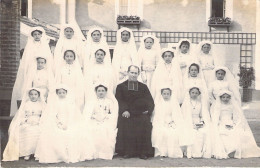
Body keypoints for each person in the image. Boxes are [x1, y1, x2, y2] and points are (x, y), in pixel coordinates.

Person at [35, 84, 93, 163]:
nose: (61, 94)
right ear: (57, 94)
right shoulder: (54, 103)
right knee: (51, 134)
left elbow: (73, 115)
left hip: (69, 122)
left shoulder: (70, 103)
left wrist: (67, 124)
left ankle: (69, 154)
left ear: (66, 93)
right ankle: (57, 155)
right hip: (58, 122)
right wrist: (58, 123)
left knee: (75, 134)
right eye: (59, 93)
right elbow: (53, 115)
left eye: (63, 92)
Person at [10, 27, 53, 116]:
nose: (37, 36)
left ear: (41, 35)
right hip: (32, 68)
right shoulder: (30, 46)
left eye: (38, 34)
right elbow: (27, 60)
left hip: (43, 67)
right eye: (35, 34)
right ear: (32, 36)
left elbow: (48, 58)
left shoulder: (45, 45)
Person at [115, 65, 154, 159]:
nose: (133, 75)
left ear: (138, 74)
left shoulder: (143, 87)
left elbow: (149, 100)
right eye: (131, 72)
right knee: (126, 123)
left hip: (140, 113)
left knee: (145, 122)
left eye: (135, 73)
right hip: (127, 113)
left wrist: (148, 110)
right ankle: (128, 151)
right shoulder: (120, 86)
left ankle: (143, 152)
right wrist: (124, 110)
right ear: (128, 73)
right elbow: (119, 100)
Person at [211, 90, 260, 159]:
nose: (225, 99)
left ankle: (234, 150)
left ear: (230, 98)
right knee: (222, 133)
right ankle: (227, 150)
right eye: (223, 97)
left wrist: (233, 124)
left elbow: (236, 117)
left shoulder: (232, 106)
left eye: (227, 97)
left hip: (230, 123)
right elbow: (216, 118)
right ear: (220, 98)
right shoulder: (218, 106)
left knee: (236, 132)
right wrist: (221, 124)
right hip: (221, 123)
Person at [3, 88, 46, 161]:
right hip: (27, 122)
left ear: (38, 95)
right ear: (29, 95)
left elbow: (45, 115)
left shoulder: (42, 104)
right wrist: (26, 120)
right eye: (31, 94)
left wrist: (39, 121)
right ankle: (27, 153)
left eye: (35, 94)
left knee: (40, 131)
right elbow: (21, 115)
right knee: (26, 130)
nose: (33, 96)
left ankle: (38, 153)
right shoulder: (26, 104)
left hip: (38, 122)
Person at [83, 84, 118, 160]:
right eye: (99, 91)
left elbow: (112, 114)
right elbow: (88, 114)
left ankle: (104, 154)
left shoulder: (109, 102)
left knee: (105, 129)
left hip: (106, 121)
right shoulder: (91, 102)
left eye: (103, 91)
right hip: (94, 120)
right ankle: (94, 153)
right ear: (96, 92)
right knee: (92, 129)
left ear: (106, 92)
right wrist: (95, 118)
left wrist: (106, 117)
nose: (101, 92)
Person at [152, 87, 184, 158]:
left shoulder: (173, 104)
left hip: (171, 121)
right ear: (161, 94)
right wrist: (162, 123)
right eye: (164, 94)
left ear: (170, 94)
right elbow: (157, 116)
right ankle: (162, 152)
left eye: (167, 94)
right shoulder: (158, 104)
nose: (166, 95)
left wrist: (172, 122)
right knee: (161, 131)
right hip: (160, 122)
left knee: (173, 132)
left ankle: (171, 152)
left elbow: (176, 115)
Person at [181, 86, 211, 158]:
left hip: (198, 121)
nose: (194, 94)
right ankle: (191, 153)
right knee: (192, 132)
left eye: (196, 93)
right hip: (188, 122)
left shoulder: (200, 103)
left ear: (199, 94)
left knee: (203, 131)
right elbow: (183, 115)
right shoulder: (186, 104)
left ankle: (200, 152)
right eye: (193, 93)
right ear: (189, 93)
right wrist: (191, 124)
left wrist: (201, 122)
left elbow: (202, 115)